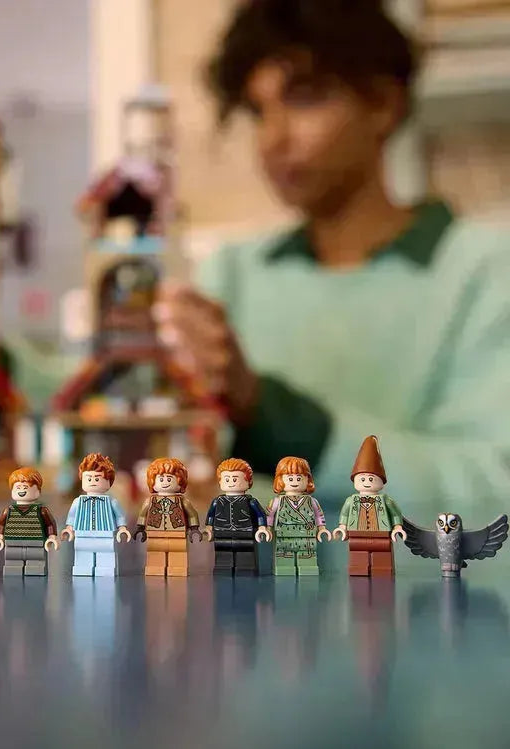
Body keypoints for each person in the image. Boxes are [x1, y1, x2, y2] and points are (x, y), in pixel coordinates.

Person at [152, 0, 510, 530]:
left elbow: (491, 488)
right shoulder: (230, 274)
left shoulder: (486, 271)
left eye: (304, 99)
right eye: (258, 111)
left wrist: (271, 413)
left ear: (383, 105)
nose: (274, 138)